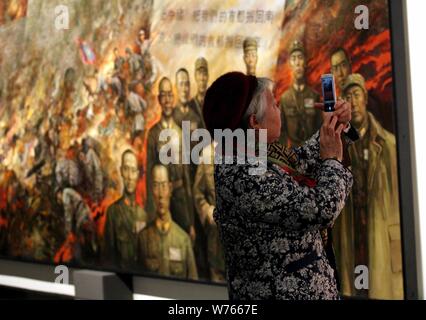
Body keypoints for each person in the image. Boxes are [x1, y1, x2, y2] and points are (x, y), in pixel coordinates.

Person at [203, 71, 353, 300]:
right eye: (274, 105)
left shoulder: (249, 153)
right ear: (254, 122)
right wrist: (332, 160)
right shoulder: (243, 176)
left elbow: (298, 163)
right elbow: (322, 209)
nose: (279, 110)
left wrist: (336, 125)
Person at [332, 73, 403, 299]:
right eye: (348, 96)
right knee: (355, 288)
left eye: (357, 94)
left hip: (378, 236)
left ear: (365, 98)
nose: (353, 101)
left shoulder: (389, 145)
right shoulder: (338, 143)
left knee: (377, 288)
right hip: (351, 236)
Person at [146, 77, 195, 241]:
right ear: (159, 99)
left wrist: (191, 221)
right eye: (163, 96)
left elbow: (187, 177)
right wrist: (151, 212)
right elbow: (148, 177)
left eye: (169, 95)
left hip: (180, 198)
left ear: (173, 98)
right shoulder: (153, 134)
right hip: (161, 200)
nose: (167, 100)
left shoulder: (181, 134)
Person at [138, 165, 198, 280]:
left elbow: (193, 283)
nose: (160, 194)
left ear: (170, 189)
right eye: (156, 186)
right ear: (151, 190)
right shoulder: (143, 239)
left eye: (164, 186)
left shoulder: (183, 240)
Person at [103, 149, 148, 270]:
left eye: (133, 171)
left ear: (138, 174)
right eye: (126, 169)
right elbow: (108, 257)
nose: (129, 176)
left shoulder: (143, 215)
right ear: (121, 171)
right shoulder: (112, 212)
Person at [279, 41, 321, 147]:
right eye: (293, 59)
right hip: (292, 154)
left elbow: (320, 130)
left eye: (300, 57)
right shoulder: (285, 98)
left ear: (305, 62)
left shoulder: (314, 96)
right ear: (290, 64)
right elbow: (281, 132)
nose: (297, 63)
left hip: (312, 153)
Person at [189, 57, 209, 128]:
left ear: (208, 77)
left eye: (204, 74)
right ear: (195, 76)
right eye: (199, 74)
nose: (202, 78)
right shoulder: (190, 106)